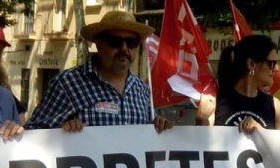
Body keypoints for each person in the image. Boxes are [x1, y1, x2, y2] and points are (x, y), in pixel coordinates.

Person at [26, 10, 172, 133]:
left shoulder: (142, 89)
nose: (124, 49)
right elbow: (33, 134)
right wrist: (63, 132)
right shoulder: (67, 84)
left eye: (131, 42)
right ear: (99, 44)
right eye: (115, 41)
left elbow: (147, 142)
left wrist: (159, 126)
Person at [202, 34, 280, 133]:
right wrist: (202, 119)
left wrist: (262, 133)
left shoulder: (275, 106)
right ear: (251, 64)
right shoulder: (214, 101)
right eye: (271, 63)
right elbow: (203, 143)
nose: (276, 68)